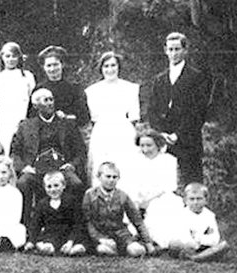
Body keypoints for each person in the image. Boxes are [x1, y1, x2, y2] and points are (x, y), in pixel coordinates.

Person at [12, 88, 87, 226]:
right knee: (23, 183)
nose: (50, 103)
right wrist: (24, 167)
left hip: (62, 169)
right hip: (35, 170)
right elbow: (15, 153)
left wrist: (72, 165)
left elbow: (80, 151)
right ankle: (27, 226)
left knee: (76, 184)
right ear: (35, 105)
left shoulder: (67, 124)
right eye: (45, 100)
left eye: (51, 99)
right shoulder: (25, 126)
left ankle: (75, 228)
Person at [147, 32, 211, 186]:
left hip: (188, 140)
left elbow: (198, 112)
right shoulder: (160, 79)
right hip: (163, 142)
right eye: (170, 49)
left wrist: (177, 135)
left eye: (177, 49)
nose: (174, 53)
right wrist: (161, 134)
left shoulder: (196, 77)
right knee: (163, 185)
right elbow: (152, 109)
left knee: (192, 185)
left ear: (185, 50)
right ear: (165, 50)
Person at [119, 130, 183, 249]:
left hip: (160, 196)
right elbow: (130, 183)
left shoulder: (168, 160)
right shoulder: (135, 161)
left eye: (149, 145)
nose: (145, 149)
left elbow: (168, 186)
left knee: (167, 206)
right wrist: (137, 201)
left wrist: (148, 202)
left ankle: (161, 242)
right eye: (142, 145)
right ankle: (139, 239)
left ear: (158, 145)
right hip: (138, 197)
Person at [85, 52, 140, 187]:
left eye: (113, 65)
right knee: (102, 163)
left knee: (124, 165)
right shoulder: (92, 91)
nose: (110, 69)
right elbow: (94, 118)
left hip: (124, 131)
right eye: (106, 66)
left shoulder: (130, 88)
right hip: (102, 132)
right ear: (101, 68)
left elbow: (134, 116)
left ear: (119, 67)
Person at [82, 162, 155, 257]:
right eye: (108, 176)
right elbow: (87, 221)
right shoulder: (90, 195)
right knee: (103, 250)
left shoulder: (122, 196)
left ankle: (128, 248)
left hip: (120, 234)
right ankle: (115, 251)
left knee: (137, 251)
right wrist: (99, 238)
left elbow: (137, 220)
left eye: (114, 177)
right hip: (100, 235)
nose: (111, 180)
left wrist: (148, 243)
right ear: (99, 177)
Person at [24, 171, 88, 256]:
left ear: (64, 185)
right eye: (49, 187)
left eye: (56, 186)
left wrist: (70, 242)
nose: (53, 189)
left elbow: (77, 223)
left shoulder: (71, 201)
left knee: (79, 246)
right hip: (51, 235)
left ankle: (72, 249)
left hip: (68, 234)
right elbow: (36, 224)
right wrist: (31, 241)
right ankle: (49, 248)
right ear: (44, 188)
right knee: (46, 247)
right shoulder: (42, 204)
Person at [0, 42, 36, 155]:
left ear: (19, 58)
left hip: (23, 117)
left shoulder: (27, 76)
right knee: (7, 151)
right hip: (5, 120)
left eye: (14, 56)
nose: (11, 59)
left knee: (24, 151)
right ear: (2, 57)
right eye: (7, 56)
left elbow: (31, 98)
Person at [27, 45, 90, 128]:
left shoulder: (74, 89)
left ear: (62, 65)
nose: (52, 69)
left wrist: (66, 117)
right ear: (43, 68)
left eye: (55, 64)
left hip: (69, 133)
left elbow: (84, 118)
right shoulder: (39, 89)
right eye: (49, 66)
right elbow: (31, 117)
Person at [169, 183, 230, 262]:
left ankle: (199, 257)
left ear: (206, 200)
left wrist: (199, 239)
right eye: (192, 199)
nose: (195, 202)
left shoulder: (210, 216)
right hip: (188, 246)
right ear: (185, 200)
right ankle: (199, 257)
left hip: (204, 246)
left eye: (199, 199)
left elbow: (215, 238)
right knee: (175, 243)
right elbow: (184, 237)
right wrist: (198, 241)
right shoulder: (181, 215)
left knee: (224, 245)